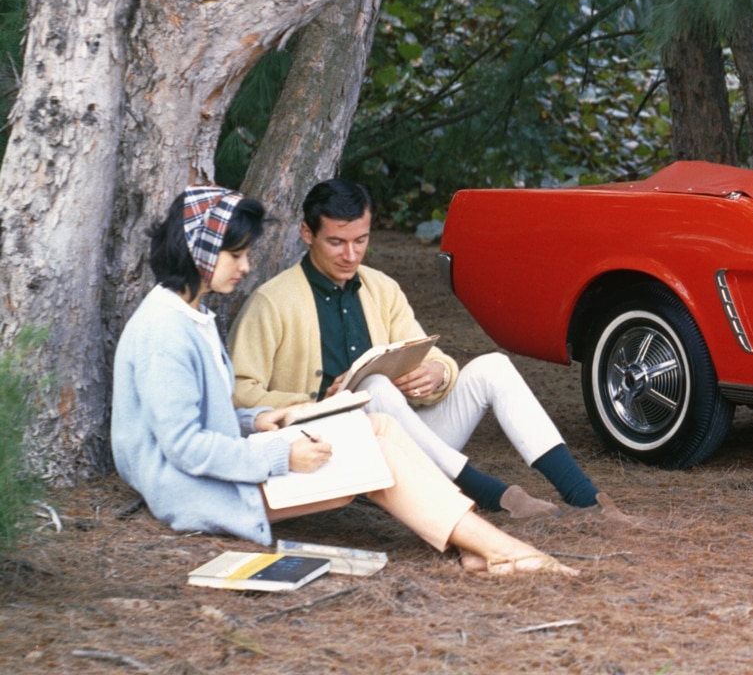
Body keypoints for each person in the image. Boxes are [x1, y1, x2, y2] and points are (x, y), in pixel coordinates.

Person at [112, 187, 576, 577]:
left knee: (379, 431)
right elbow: (185, 448)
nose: (247, 266)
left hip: (234, 467)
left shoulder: (189, 315)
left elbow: (211, 419)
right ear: (200, 253)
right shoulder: (164, 331)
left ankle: (483, 547)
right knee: (373, 441)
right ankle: (498, 547)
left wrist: (259, 418)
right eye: (236, 255)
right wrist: (281, 450)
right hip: (203, 490)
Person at [228, 179, 616, 519]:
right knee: (376, 389)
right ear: (307, 234)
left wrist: (438, 374)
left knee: (493, 366)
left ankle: (584, 497)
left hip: (411, 445)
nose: (351, 255)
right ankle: (489, 493)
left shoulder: (382, 288)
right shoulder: (272, 301)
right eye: (336, 242)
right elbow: (240, 394)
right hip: (331, 451)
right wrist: (315, 401)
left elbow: (429, 354)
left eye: (361, 240)